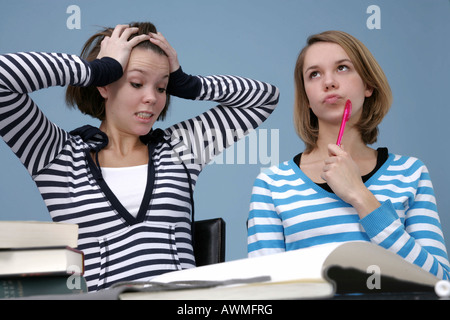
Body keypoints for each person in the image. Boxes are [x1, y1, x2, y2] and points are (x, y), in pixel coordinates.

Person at [0, 22, 279, 291]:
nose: (152, 98)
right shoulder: (56, 157)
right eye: (136, 83)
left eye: (161, 88)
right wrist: (94, 70)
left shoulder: (180, 149)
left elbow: (264, 97)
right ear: (104, 86)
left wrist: (189, 84)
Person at [247, 30, 450, 280]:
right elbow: (263, 290)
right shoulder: (272, 184)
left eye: (342, 68)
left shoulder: (411, 173)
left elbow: (442, 283)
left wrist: (360, 195)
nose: (329, 82)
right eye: (314, 74)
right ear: (307, 99)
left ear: (368, 85)